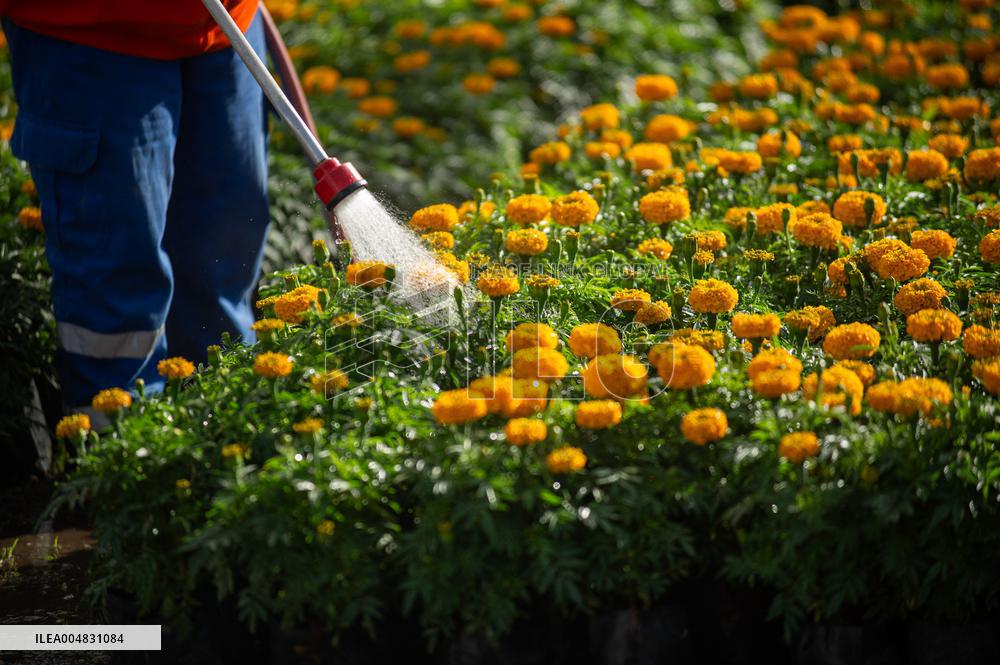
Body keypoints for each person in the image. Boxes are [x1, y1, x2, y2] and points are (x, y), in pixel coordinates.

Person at [0, 0, 269, 418]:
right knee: (117, 279)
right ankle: (121, 458)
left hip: (226, 25)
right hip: (92, 31)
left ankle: (225, 441)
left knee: (223, 256)